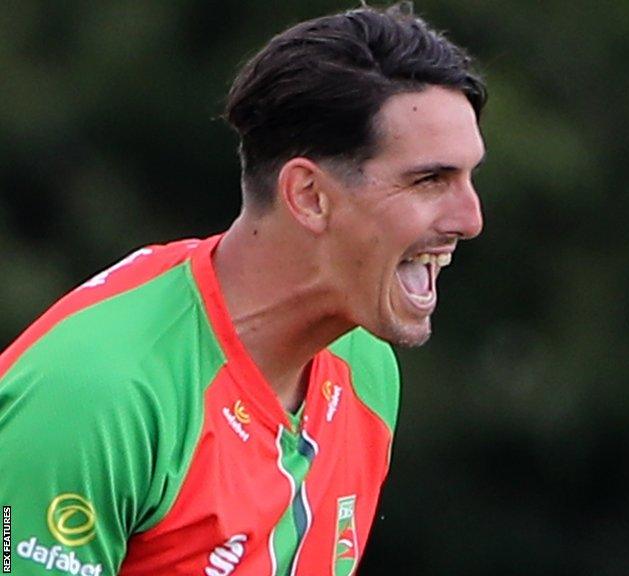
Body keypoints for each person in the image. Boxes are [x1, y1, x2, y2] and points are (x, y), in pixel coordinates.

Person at [0, 4, 486, 575]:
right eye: (430, 180)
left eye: (468, 176)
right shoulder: (97, 396)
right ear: (309, 196)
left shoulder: (364, 363)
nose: (471, 218)